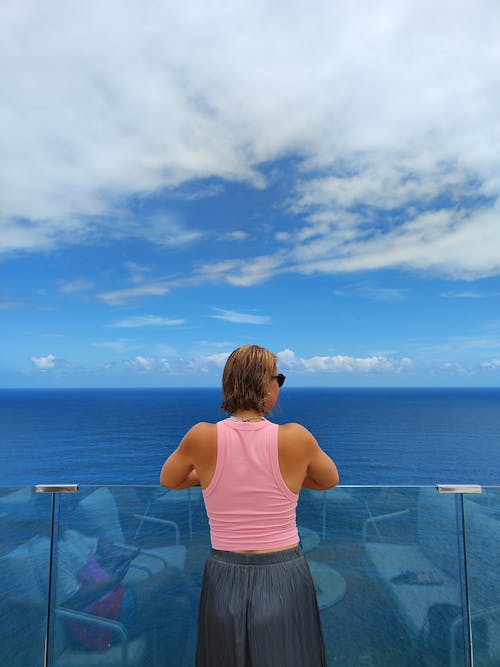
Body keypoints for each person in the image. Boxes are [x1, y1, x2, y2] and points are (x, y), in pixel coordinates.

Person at [160, 344, 339, 666]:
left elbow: (170, 479)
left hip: (223, 572)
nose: (279, 385)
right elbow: (328, 480)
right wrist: (292, 479)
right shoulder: (296, 437)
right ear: (265, 384)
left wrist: (208, 478)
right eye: (278, 377)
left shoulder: (201, 436)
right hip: (284, 570)